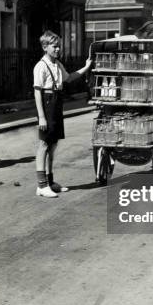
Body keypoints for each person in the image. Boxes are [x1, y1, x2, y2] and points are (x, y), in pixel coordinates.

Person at [33, 30, 92, 198]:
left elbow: (69, 77)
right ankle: (41, 185)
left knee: (53, 144)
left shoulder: (57, 65)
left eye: (59, 46)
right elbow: (37, 92)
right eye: (55, 46)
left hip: (57, 103)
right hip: (47, 104)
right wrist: (42, 117)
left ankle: (50, 181)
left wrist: (86, 67)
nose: (58, 49)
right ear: (45, 47)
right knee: (44, 144)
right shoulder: (40, 66)